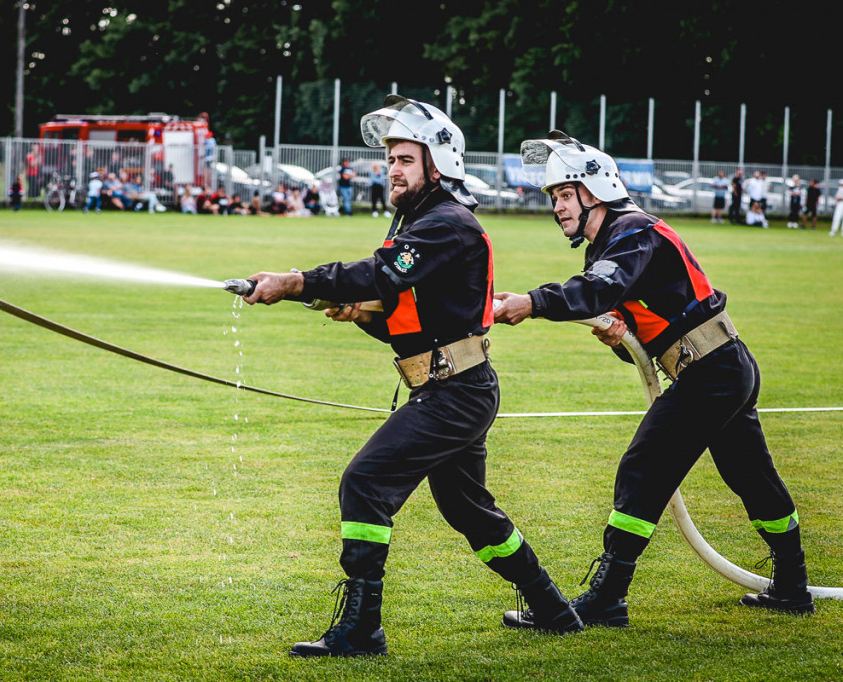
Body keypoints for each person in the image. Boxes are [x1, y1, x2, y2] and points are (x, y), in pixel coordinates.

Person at [243, 96, 584, 658]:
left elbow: (379, 273)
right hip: (453, 388)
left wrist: (294, 281)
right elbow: (409, 320)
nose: (392, 169)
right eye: (391, 159)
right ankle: (551, 607)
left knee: (365, 483)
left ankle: (360, 630)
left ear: (438, 163)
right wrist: (363, 314)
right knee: (470, 512)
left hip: (456, 393)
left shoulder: (447, 223)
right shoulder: (423, 224)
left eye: (404, 159)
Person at [493, 130, 814, 628]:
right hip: (721, 365)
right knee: (750, 475)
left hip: (713, 371)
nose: (555, 207)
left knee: (643, 468)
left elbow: (596, 289)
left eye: (562, 194)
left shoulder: (631, 231)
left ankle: (608, 597)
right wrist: (618, 338)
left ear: (592, 190)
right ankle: (793, 586)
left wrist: (531, 303)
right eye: (553, 198)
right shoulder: (614, 240)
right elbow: (641, 332)